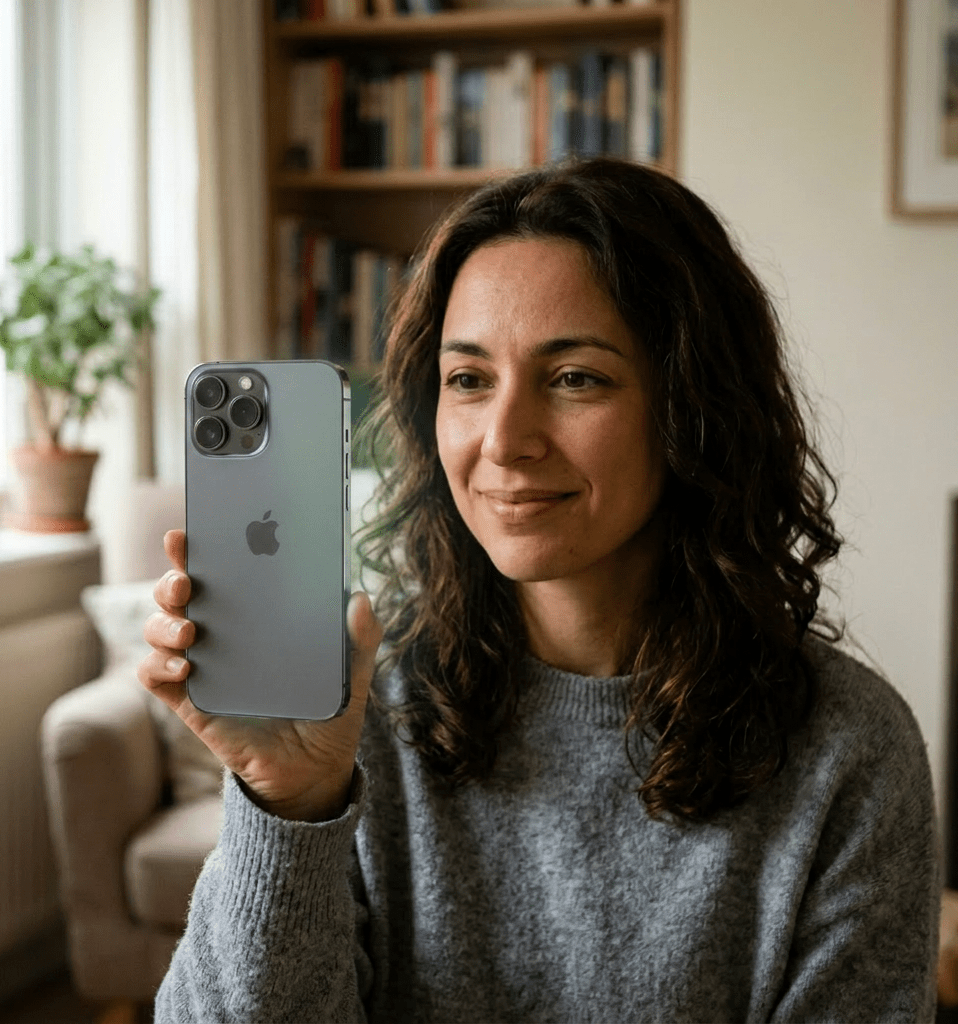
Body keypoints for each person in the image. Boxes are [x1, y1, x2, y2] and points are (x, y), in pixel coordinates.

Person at [140, 158, 940, 1022]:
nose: (505, 439)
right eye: (469, 380)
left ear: (693, 407)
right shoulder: (359, 715)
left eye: (575, 378)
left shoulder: (849, 752)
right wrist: (286, 810)